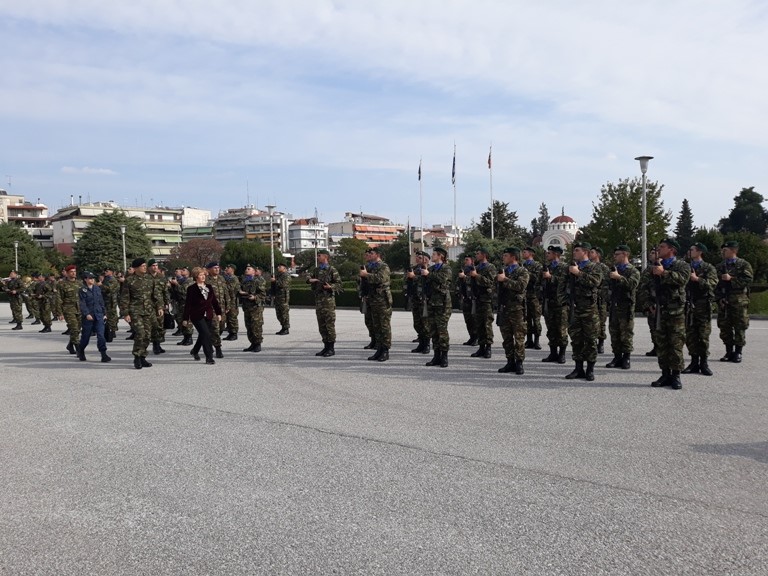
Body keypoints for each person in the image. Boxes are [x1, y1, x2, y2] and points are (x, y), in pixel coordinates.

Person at [644, 238, 690, 390]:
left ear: (671, 250)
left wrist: (664, 273)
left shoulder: (681, 265)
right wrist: (649, 304)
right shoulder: (654, 266)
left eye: (662, 247)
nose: (659, 249)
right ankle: (665, 373)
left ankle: (675, 375)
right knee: (662, 344)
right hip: (659, 311)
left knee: (675, 344)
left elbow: (682, 279)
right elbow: (645, 286)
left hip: (675, 311)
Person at [559, 241, 602, 381]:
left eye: (577, 250)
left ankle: (590, 369)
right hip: (573, 309)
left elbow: (595, 282)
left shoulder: (594, 267)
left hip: (589, 309)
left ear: (585, 252)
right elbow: (561, 286)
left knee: (590, 340)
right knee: (576, 340)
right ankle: (578, 368)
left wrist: (578, 273)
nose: (574, 253)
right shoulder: (569, 268)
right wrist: (564, 302)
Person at [120, 258, 162, 370]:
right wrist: (125, 313)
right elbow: (124, 298)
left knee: (148, 335)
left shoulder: (150, 279)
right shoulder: (129, 281)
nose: (145, 267)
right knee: (140, 333)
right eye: (142, 266)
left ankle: (143, 357)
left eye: (145, 265)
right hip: (135, 311)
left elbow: (156, 294)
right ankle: (137, 357)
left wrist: (159, 307)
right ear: (136, 268)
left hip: (148, 311)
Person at [682, 242, 718, 376]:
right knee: (690, 335)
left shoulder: (708, 268)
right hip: (688, 304)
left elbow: (712, 284)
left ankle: (704, 363)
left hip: (703, 304)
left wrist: (697, 279)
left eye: (692, 250)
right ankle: (693, 362)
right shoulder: (686, 267)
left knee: (703, 335)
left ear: (699, 252)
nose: (689, 252)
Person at [716, 240, 754, 363]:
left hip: (739, 300)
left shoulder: (743, 264)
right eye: (723, 250)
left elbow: (748, 279)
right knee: (724, 326)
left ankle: (738, 352)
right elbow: (715, 283)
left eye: (726, 250)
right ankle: (729, 351)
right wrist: (719, 298)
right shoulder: (721, 266)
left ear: (733, 251)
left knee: (739, 326)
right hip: (724, 300)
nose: (723, 252)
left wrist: (731, 278)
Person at [605, 245, 640, 370]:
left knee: (626, 333)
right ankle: (617, 356)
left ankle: (626, 357)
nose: (615, 256)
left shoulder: (633, 270)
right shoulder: (613, 269)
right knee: (614, 332)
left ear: (625, 254)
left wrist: (619, 277)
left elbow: (632, 284)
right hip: (614, 305)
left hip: (626, 306)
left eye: (617, 254)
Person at [496, 247, 530, 375]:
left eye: (506, 255)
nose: (503, 258)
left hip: (517, 310)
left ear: (513, 257)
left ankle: (519, 362)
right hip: (504, 308)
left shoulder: (522, 271)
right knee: (507, 338)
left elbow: (521, 286)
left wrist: (505, 280)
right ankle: (510, 361)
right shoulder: (503, 271)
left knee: (519, 337)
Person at [183, 266, 223, 364]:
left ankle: (195, 351)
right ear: (196, 277)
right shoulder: (191, 289)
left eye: (203, 274)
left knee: (203, 335)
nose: (203, 276)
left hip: (208, 315)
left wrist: (218, 313)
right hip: (197, 316)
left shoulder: (209, 287)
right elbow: (188, 304)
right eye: (201, 275)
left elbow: (214, 301)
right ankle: (209, 357)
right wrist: (185, 318)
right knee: (206, 334)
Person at [360, 246, 392, 362]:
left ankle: (385, 350)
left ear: (377, 255)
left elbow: (380, 278)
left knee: (384, 326)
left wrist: (366, 275)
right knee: (376, 326)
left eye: (372, 253)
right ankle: (379, 349)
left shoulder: (383, 266)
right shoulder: (369, 267)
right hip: (372, 299)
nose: (369, 254)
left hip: (382, 300)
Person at [308, 249, 342, 357]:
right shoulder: (316, 270)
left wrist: (330, 287)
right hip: (319, 302)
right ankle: (325, 346)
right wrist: (310, 280)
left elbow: (339, 285)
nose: (317, 257)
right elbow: (309, 278)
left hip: (328, 302)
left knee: (329, 325)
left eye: (319, 255)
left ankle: (331, 348)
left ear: (326, 257)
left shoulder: (332, 270)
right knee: (321, 325)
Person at [423, 246, 452, 367]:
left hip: (442, 304)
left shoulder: (446, 269)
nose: (432, 256)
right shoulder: (431, 268)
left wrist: (428, 274)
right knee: (433, 330)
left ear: (441, 256)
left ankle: (444, 356)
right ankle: (436, 355)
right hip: (432, 303)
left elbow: (443, 280)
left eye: (434, 254)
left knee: (442, 331)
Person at [540, 245, 568, 364]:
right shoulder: (546, 267)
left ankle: (562, 354)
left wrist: (551, 277)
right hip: (549, 301)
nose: (547, 255)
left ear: (556, 254)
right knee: (551, 329)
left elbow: (564, 281)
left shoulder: (564, 267)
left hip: (560, 303)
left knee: (561, 330)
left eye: (549, 253)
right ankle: (553, 352)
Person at [77, 271, 111, 362]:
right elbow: (82, 303)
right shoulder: (82, 290)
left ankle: (103, 354)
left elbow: (101, 301)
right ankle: (81, 350)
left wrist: (104, 313)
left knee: (101, 335)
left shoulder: (97, 289)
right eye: (89, 278)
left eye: (92, 278)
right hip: (89, 317)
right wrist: (86, 314)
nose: (91, 279)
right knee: (86, 337)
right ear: (85, 279)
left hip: (99, 315)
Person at [469, 247, 496, 358]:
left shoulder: (491, 267)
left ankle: (488, 347)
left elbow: (490, 282)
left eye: (478, 253)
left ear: (484, 255)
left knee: (487, 324)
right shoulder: (476, 267)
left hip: (486, 300)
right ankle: (481, 347)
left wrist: (477, 276)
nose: (476, 255)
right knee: (479, 324)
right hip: (478, 299)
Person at [405, 250, 431, 354]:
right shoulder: (414, 269)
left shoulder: (429, 269)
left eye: (420, 258)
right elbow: (406, 279)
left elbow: (428, 280)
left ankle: (427, 344)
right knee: (417, 323)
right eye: (417, 257)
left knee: (425, 323)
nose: (417, 259)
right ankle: (421, 342)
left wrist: (414, 277)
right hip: (415, 298)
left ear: (426, 259)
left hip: (424, 300)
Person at [204, 262, 231, 358]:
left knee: (221, 327)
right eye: (214, 268)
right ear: (209, 269)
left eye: (218, 268)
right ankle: (218, 349)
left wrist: (228, 305)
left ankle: (211, 342)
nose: (217, 269)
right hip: (211, 309)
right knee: (215, 328)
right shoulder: (206, 280)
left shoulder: (221, 279)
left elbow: (226, 292)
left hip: (222, 308)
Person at [239, 265, 268, 352]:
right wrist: (241, 293)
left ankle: (258, 344)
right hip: (246, 307)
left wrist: (255, 297)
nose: (246, 270)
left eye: (249, 269)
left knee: (256, 326)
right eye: (246, 268)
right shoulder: (244, 281)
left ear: (254, 272)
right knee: (249, 326)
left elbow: (263, 295)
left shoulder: (258, 281)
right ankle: (252, 343)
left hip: (255, 307)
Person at [588, 247, 611, 354]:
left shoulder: (604, 268)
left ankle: (600, 342)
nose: (589, 254)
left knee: (601, 322)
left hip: (601, 299)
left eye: (592, 252)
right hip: (590, 299)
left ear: (597, 254)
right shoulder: (587, 266)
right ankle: (591, 342)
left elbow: (607, 283)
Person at [638, 248, 660, 357]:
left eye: (653, 253)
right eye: (650, 253)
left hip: (666, 304)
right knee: (653, 327)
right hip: (652, 302)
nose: (650, 255)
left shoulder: (668, 267)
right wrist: (648, 304)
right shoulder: (648, 270)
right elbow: (643, 287)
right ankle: (656, 346)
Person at [521, 247, 543, 350]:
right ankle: (529, 340)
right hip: (525, 295)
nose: (522, 254)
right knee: (527, 319)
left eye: (524, 252)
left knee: (536, 319)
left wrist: (526, 273)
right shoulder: (523, 265)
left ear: (531, 254)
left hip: (534, 296)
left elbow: (537, 278)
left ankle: (537, 341)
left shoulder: (537, 265)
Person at [58, 264, 82, 354]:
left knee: (77, 329)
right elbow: (59, 299)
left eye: (74, 272)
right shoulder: (62, 284)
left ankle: (70, 345)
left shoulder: (80, 283)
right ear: (67, 273)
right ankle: (78, 347)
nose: (73, 273)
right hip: (68, 309)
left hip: (79, 309)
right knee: (74, 328)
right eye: (71, 272)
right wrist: (60, 313)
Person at [147, 259, 170, 355]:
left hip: (160, 305)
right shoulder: (145, 277)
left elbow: (165, 291)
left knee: (160, 325)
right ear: (149, 267)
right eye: (153, 265)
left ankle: (158, 344)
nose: (155, 267)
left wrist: (167, 303)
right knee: (152, 325)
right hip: (148, 305)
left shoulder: (161, 277)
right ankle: (154, 344)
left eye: (156, 265)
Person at [456, 256, 478, 346]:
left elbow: (475, 281)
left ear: (472, 261)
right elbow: (459, 283)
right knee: (468, 320)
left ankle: (476, 338)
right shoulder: (464, 270)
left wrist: (465, 277)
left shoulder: (475, 270)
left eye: (467, 260)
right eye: (464, 260)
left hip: (473, 298)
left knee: (474, 320)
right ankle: (472, 337)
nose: (465, 261)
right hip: (466, 298)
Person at [169, 267, 194, 346]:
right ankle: (185, 337)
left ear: (188, 272)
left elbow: (184, 291)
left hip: (187, 304)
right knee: (180, 321)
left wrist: (176, 284)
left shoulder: (190, 281)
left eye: (184, 270)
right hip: (180, 303)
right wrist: (171, 286)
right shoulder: (181, 281)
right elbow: (175, 292)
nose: (181, 271)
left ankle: (189, 338)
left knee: (187, 321)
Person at [99, 266, 120, 342]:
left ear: (111, 272)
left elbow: (109, 289)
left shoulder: (112, 280)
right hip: (105, 300)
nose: (105, 272)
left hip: (111, 301)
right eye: (105, 271)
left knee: (111, 315)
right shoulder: (106, 279)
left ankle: (112, 331)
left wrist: (101, 285)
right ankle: (109, 331)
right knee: (107, 316)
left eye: (107, 271)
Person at [272, 263, 291, 335]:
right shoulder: (278, 275)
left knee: (284, 313)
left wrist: (275, 281)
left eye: (280, 266)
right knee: (279, 313)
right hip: (278, 296)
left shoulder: (286, 275)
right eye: (278, 266)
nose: (278, 267)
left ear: (285, 268)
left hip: (284, 297)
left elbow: (283, 284)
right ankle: (283, 327)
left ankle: (286, 328)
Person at [223, 263, 240, 341]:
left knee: (232, 318)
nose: (226, 269)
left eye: (228, 268)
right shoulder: (227, 278)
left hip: (232, 301)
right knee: (228, 318)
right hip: (227, 300)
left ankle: (234, 333)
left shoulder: (234, 278)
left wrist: (222, 285)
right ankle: (230, 333)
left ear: (232, 270)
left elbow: (230, 288)